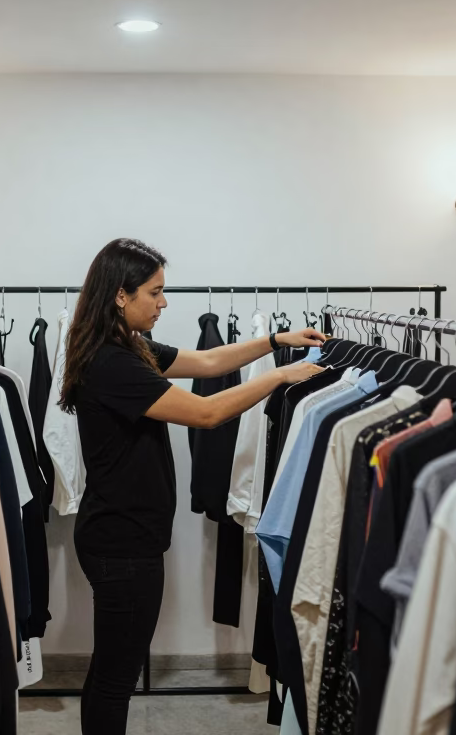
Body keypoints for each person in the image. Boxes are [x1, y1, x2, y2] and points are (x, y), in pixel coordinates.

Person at [59, 238, 325, 734]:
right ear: (121, 295)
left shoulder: (126, 346)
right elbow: (205, 413)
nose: (164, 303)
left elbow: (206, 364)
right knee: (116, 678)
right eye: (156, 292)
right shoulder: (112, 363)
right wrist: (279, 378)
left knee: (111, 671)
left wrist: (274, 342)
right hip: (123, 545)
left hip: (121, 539)